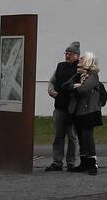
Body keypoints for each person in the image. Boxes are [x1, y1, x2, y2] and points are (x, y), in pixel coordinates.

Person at [44, 42, 81, 171]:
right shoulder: (60, 66)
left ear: (77, 55)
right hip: (59, 106)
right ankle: (57, 162)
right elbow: (52, 81)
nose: (67, 55)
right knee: (58, 136)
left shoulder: (81, 68)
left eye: (70, 54)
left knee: (72, 136)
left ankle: (71, 162)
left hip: (73, 108)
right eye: (66, 53)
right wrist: (51, 91)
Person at [67, 52, 103, 175]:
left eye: (82, 59)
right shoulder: (78, 75)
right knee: (81, 137)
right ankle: (84, 162)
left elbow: (83, 89)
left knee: (87, 136)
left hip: (89, 111)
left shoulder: (93, 76)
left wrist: (76, 87)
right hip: (79, 111)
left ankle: (93, 163)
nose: (79, 61)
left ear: (88, 61)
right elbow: (67, 85)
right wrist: (75, 86)